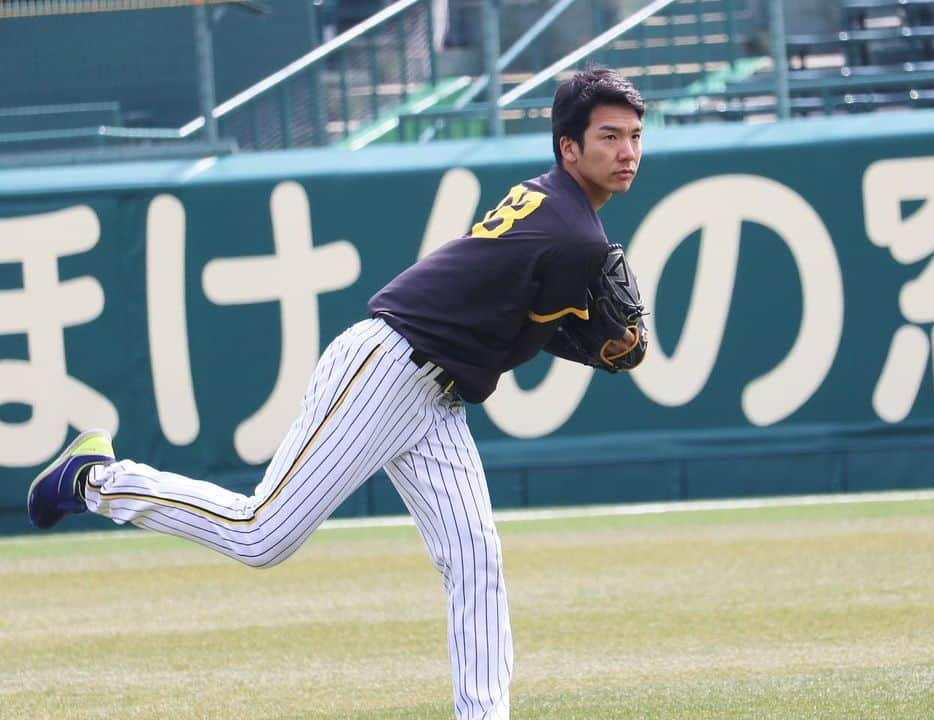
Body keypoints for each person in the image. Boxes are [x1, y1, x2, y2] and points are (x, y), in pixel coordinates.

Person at [26, 65, 646, 720]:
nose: (627, 151)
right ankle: (94, 478)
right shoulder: (575, 234)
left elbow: (519, 319)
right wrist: (598, 344)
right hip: (388, 369)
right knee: (261, 533)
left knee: (474, 559)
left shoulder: (555, 205)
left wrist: (584, 336)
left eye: (634, 135)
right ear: (567, 147)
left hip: (434, 394)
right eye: (608, 136)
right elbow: (538, 327)